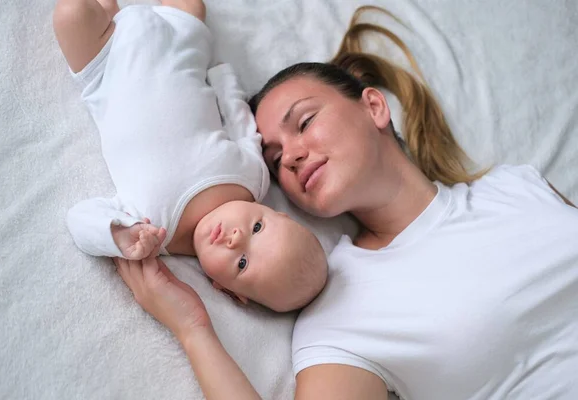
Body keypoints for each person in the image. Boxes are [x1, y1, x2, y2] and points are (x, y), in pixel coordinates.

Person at [109, 3, 578, 400]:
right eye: (273, 161)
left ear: (374, 107)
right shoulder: (342, 316)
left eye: (305, 122)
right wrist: (194, 331)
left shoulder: (518, 185)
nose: (290, 156)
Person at [53, 0, 328, 312]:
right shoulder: (254, 179)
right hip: (181, 48)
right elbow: (240, 124)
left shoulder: (153, 232)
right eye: (257, 228)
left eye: (241, 263)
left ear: (225, 289)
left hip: (106, 68)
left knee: (71, 13)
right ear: (278, 214)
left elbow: (79, 219)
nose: (236, 238)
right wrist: (223, 78)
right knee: (192, 6)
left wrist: (118, 235)